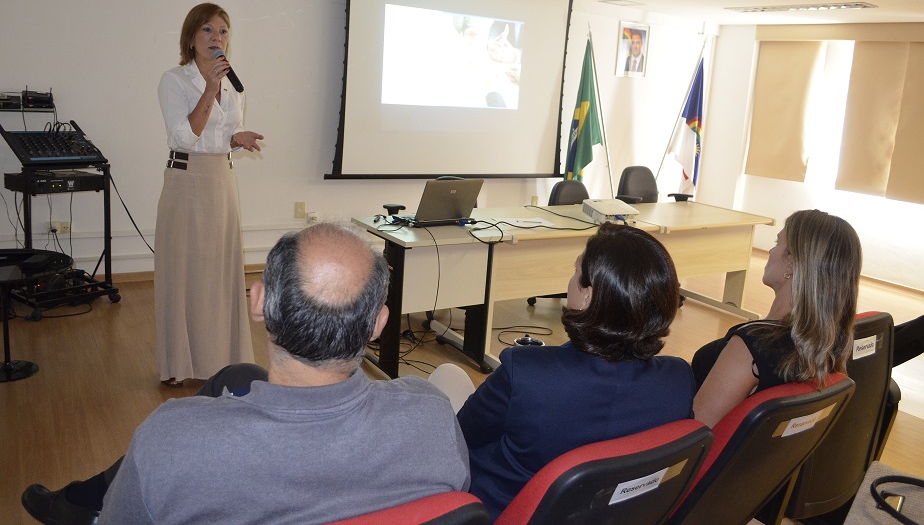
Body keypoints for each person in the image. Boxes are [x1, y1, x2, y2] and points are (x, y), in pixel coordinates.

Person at [22, 222, 470, 524]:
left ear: (259, 303)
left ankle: (78, 503)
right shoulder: (431, 416)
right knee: (237, 375)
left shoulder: (172, 441)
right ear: (378, 325)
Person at [455, 222, 695, 520]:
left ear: (587, 296)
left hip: (499, 511)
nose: (569, 281)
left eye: (575, 272)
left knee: (449, 381)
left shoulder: (527, 375)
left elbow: (461, 436)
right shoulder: (679, 380)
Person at [155, 2, 264, 386]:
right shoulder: (175, 80)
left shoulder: (235, 87)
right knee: (187, 274)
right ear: (191, 37)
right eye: (207, 30)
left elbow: (218, 135)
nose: (216, 38)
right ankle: (182, 365)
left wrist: (237, 138)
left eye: (222, 31)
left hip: (222, 180)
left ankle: (222, 360)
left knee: (220, 274)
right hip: (187, 182)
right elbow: (183, 137)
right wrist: (211, 87)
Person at [692, 209, 862, 427]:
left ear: (791, 261)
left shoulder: (753, 345)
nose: (771, 251)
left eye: (777, 242)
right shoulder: (830, 344)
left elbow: (696, 428)